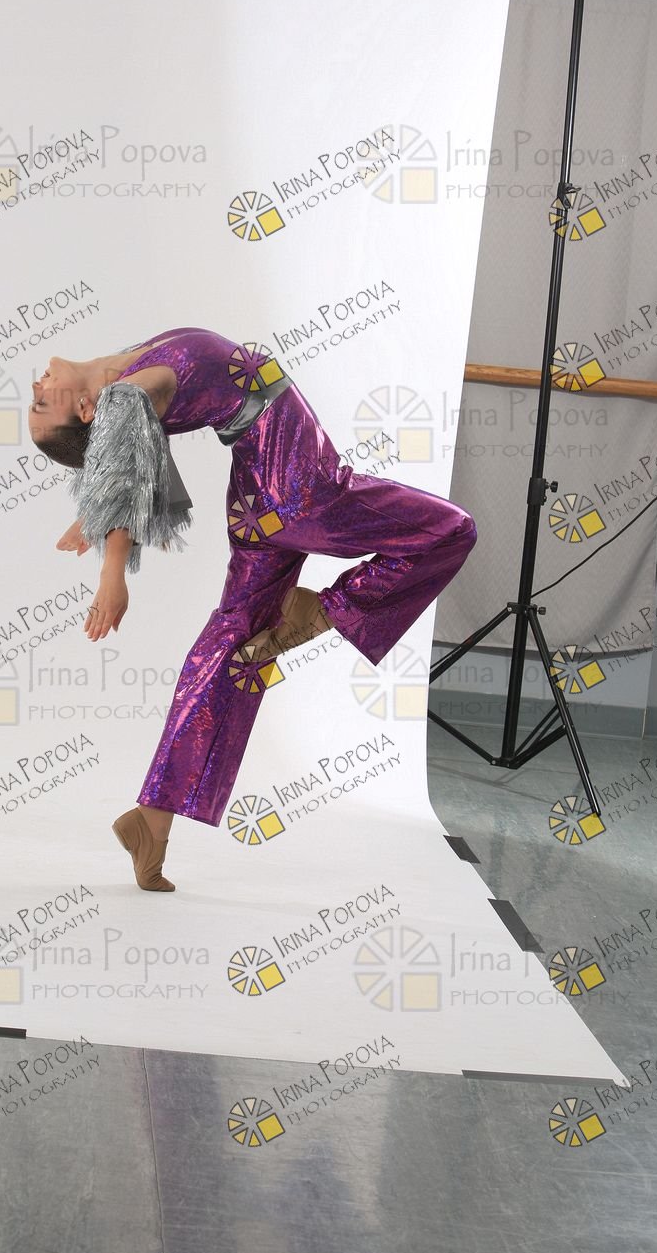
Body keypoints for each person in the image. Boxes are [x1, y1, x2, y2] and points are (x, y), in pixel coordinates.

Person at [28, 327, 477, 893]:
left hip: (256, 499)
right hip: (303, 490)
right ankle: (323, 614)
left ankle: (153, 821)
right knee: (450, 531)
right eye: (41, 404)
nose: (36, 388)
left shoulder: (121, 374)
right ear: (86, 410)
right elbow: (123, 472)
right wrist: (111, 575)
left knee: (234, 647)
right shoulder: (124, 396)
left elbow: (127, 457)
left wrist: (90, 510)